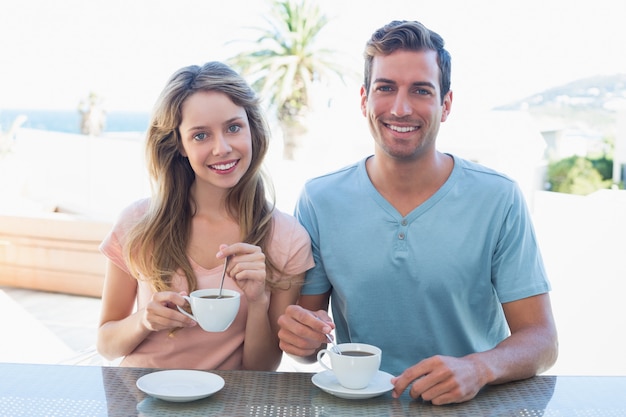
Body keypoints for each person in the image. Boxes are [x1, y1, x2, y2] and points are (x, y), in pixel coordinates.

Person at [277, 20, 558, 404]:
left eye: (421, 90)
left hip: (471, 408)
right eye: (386, 88)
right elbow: (306, 345)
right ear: (364, 100)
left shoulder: (498, 197)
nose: (401, 107)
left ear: (446, 103)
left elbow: (542, 340)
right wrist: (300, 340)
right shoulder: (318, 199)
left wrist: (479, 368)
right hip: (360, 408)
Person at [97, 61, 314, 371]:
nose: (222, 148)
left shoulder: (287, 237)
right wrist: (144, 320)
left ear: (252, 129)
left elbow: (262, 371)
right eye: (200, 136)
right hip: (139, 401)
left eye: (233, 127)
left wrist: (257, 302)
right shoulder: (137, 223)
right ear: (180, 145)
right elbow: (106, 345)